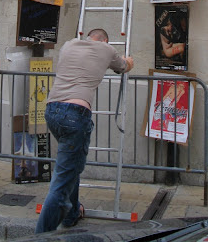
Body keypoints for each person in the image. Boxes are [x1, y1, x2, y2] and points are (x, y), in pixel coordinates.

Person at [35, 28, 134, 233]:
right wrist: (129, 61)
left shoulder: (69, 44)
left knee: (70, 166)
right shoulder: (106, 49)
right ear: (105, 40)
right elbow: (124, 67)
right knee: (62, 183)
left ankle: (72, 214)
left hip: (52, 110)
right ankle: (41, 236)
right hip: (75, 114)